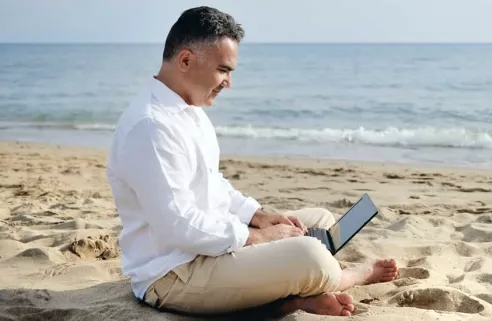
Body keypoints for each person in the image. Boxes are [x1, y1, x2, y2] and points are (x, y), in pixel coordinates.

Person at [105, 6, 398, 317]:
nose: (228, 83)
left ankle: (297, 294)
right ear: (186, 60)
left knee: (320, 222)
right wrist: (255, 237)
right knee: (312, 256)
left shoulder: (190, 112)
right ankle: (345, 279)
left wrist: (260, 216)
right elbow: (179, 226)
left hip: (212, 245)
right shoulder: (151, 127)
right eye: (223, 70)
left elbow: (211, 183)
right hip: (175, 272)